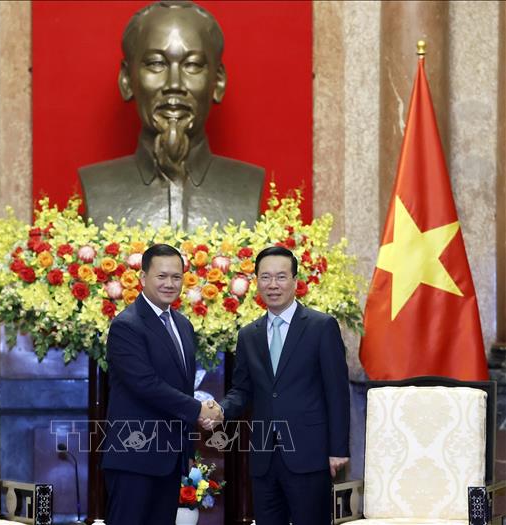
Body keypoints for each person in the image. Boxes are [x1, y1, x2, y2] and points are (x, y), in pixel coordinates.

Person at [79, 1, 264, 230]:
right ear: (126, 80)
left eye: (193, 65)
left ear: (218, 81)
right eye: (156, 64)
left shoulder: (249, 186)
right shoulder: (97, 187)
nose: (174, 84)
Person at [211, 246, 350, 525]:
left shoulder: (321, 327)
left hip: (309, 454)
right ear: (256, 283)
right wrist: (220, 411)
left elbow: (337, 392)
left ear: (295, 282)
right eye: (265, 277)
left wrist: (338, 448)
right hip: (264, 457)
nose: (273, 285)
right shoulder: (249, 335)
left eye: (281, 277)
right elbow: (241, 390)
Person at [102, 243, 221, 525]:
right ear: (143, 278)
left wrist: (187, 452)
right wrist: (198, 410)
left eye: (176, 277)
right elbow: (146, 385)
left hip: (169, 461)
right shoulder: (126, 325)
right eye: (161, 276)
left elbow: (181, 388)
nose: (170, 283)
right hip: (134, 459)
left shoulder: (183, 325)